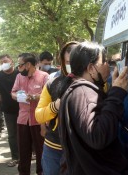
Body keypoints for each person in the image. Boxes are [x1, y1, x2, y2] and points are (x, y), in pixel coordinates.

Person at [58, 41, 128, 174]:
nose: (108, 66)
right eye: (104, 62)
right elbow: (97, 137)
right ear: (91, 68)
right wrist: (116, 95)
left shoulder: (79, 90)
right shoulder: (83, 93)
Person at [35, 41, 78, 175]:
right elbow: (39, 115)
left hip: (81, 148)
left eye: (76, 61)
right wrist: (56, 106)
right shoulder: (53, 83)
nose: (73, 66)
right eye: (69, 62)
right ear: (63, 61)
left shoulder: (98, 84)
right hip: (54, 147)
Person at [11, 53, 48, 175]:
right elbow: (13, 92)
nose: (18, 68)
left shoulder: (44, 76)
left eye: (20, 65)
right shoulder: (19, 77)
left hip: (39, 120)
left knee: (40, 150)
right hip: (22, 119)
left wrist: (36, 97)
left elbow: (48, 95)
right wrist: (18, 96)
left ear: (28, 64)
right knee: (23, 149)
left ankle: (41, 172)